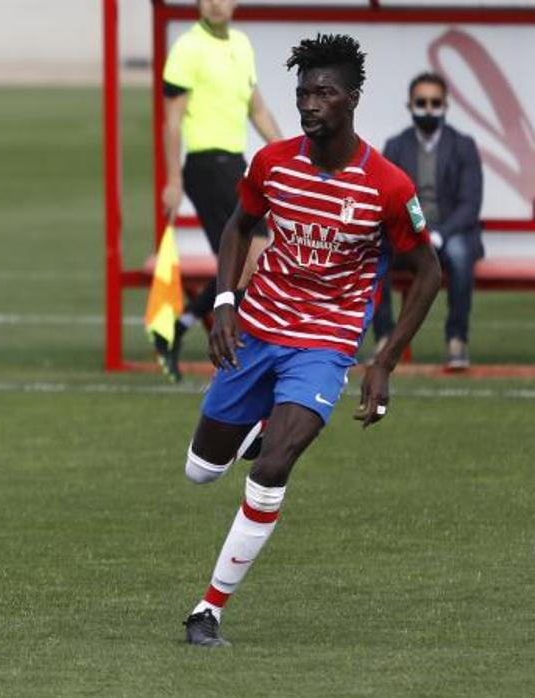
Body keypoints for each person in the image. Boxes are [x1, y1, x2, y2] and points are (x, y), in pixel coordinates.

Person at [177, 34, 442, 647]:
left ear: (352, 98)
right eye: (303, 92)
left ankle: (209, 608)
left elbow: (429, 273)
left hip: (324, 345)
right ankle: (248, 427)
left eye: (324, 92)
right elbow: (238, 226)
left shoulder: (388, 186)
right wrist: (224, 304)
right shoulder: (271, 163)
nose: (310, 103)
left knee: (276, 464)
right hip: (258, 330)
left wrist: (384, 361)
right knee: (199, 471)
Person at [156, 0, 282, 382]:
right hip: (205, 164)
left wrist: (291, 155)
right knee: (250, 257)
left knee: (247, 261)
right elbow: (172, 123)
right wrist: (173, 180)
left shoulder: (242, 44)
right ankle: (237, 349)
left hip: (234, 163)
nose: (215, 4)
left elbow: (257, 110)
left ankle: (178, 326)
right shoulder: (187, 48)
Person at [371, 72, 483, 371]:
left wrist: (440, 234)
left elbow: (470, 204)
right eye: (422, 102)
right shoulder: (395, 146)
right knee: (373, 251)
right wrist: (418, 230)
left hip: (452, 234)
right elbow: (385, 198)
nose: (429, 108)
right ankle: (384, 338)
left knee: (460, 254)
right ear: (409, 105)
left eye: (435, 102)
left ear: (445, 105)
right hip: (407, 234)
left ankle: (456, 340)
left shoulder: (464, 145)